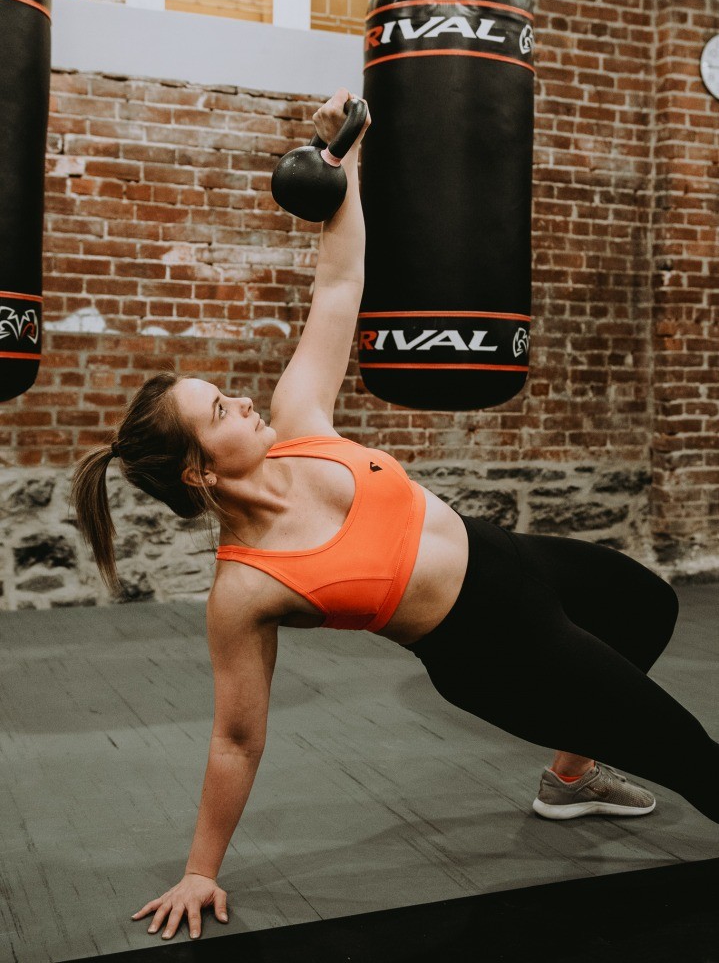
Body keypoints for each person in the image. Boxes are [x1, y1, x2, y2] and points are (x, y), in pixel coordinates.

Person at [71, 89, 719, 943]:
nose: (239, 400)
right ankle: (586, 750)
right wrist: (200, 870)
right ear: (198, 471)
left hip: (511, 558)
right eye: (218, 409)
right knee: (692, 760)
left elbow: (338, 283)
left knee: (649, 605)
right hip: (498, 650)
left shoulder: (298, 422)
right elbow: (235, 738)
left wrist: (346, 159)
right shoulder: (246, 590)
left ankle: (568, 775)